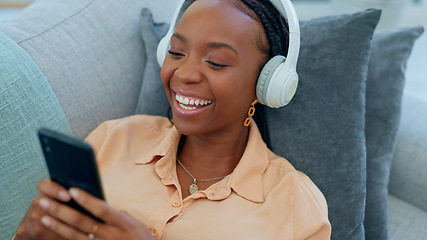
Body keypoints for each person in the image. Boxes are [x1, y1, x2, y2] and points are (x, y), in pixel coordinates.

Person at [14, 0, 331, 239]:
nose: (185, 74)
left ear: (268, 83)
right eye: (177, 52)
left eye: (216, 62)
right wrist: (28, 234)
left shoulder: (295, 206)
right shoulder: (116, 138)